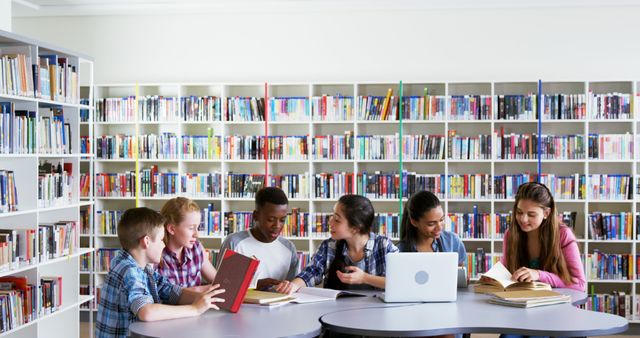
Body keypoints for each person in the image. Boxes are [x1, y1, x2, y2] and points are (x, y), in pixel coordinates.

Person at [96, 207, 225, 338]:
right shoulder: (129, 271)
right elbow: (146, 312)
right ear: (146, 242)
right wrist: (195, 309)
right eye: (161, 240)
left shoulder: (137, 265)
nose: (164, 245)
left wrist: (205, 299)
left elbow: (169, 290)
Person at [277, 194, 398, 294]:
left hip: (377, 313)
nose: (330, 222)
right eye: (332, 216)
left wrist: (364, 278)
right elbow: (312, 272)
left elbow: (401, 281)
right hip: (335, 312)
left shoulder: (384, 246)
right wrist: (292, 285)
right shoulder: (329, 246)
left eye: (337, 219)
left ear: (355, 228)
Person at [501, 181, 586, 291]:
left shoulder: (563, 234)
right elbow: (506, 274)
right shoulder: (510, 234)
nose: (523, 219)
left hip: (558, 304)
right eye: (519, 212)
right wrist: (493, 278)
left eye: (531, 214)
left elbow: (580, 284)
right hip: (522, 303)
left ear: (546, 213)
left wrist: (539, 275)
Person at [218, 186, 299, 290]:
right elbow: (222, 287)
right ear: (256, 216)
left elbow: (292, 288)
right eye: (271, 219)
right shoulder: (235, 243)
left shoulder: (289, 248)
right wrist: (254, 285)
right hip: (243, 305)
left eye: (282, 220)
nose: (277, 225)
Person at [156, 197, 217, 286]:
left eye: (198, 228)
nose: (196, 234)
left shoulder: (197, 249)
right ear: (171, 229)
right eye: (191, 228)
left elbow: (218, 281)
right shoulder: (156, 256)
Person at [396, 190, 467, 266]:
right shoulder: (399, 251)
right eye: (431, 224)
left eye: (441, 220)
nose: (439, 227)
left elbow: (461, 274)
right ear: (414, 222)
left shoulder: (453, 241)